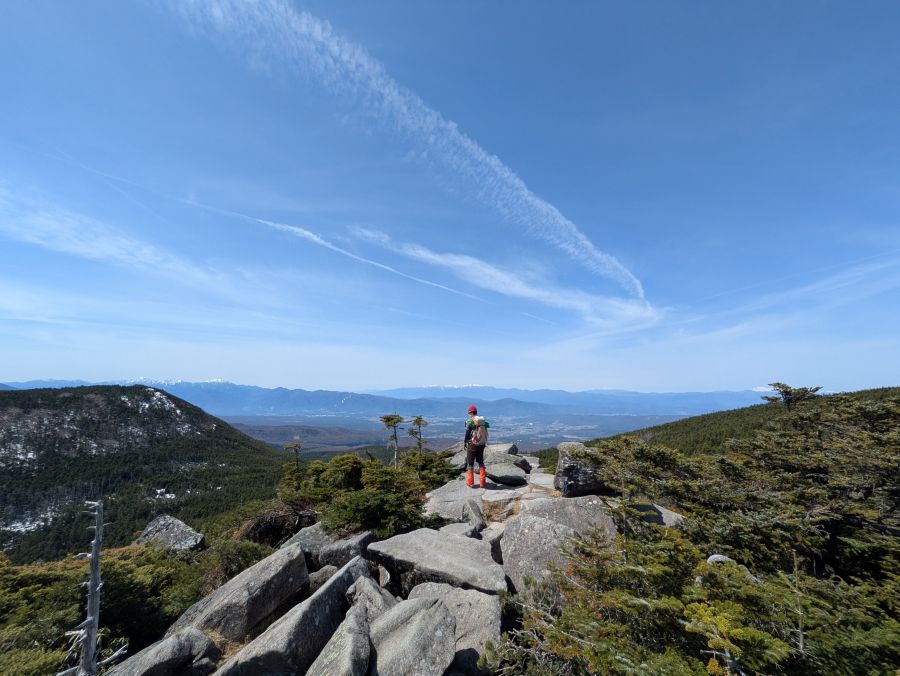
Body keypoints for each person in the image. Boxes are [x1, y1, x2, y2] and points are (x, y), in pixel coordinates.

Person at [464, 404, 490, 488]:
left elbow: (467, 433)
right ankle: (482, 482)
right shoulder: (483, 421)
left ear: (470, 412)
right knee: (481, 462)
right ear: (476, 412)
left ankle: (470, 482)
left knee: (470, 463)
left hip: (473, 445)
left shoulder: (470, 421)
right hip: (482, 445)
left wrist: (465, 441)